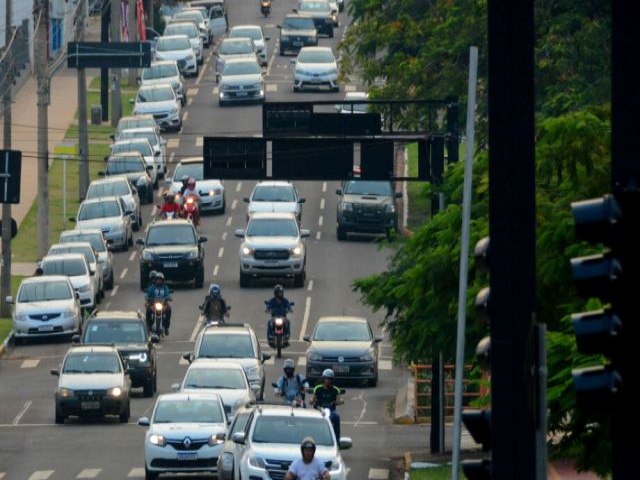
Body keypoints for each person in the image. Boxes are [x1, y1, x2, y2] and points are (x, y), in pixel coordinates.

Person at [310, 369, 343, 440]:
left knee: (336, 417)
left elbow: (339, 399)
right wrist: (312, 400)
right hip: (318, 409)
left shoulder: (335, 389)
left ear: (332, 380)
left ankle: (337, 440)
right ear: (323, 379)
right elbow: (312, 398)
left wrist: (339, 401)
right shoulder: (317, 388)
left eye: (329, 379)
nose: (327, 381)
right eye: (326, 379)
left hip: (331, 410)